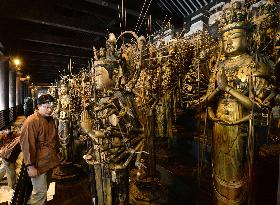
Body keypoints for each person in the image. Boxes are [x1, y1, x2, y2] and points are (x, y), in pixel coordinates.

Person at [193, 1, 277, 204]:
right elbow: (206, 100)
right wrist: (214, 100)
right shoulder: (219, 65)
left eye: (234, 36)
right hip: (219, 125)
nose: (228, 42)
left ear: (247, 38)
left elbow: (259, 105)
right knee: (220, 168)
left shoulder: (254, 64)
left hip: (241, 127)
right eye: (224, 38)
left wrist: (227, 89)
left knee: (238, 172)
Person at [20, 94, 60, 205]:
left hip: (48, 160)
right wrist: (30, 166)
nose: (50, 110)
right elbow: (27, 145)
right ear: (38, 106)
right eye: (46, 107)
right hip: (37, 163)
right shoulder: (31, 121)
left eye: (51, 107)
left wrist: (57, 153)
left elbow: (54, 139)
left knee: (44, 189)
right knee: (40, 192)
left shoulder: (50, 120)